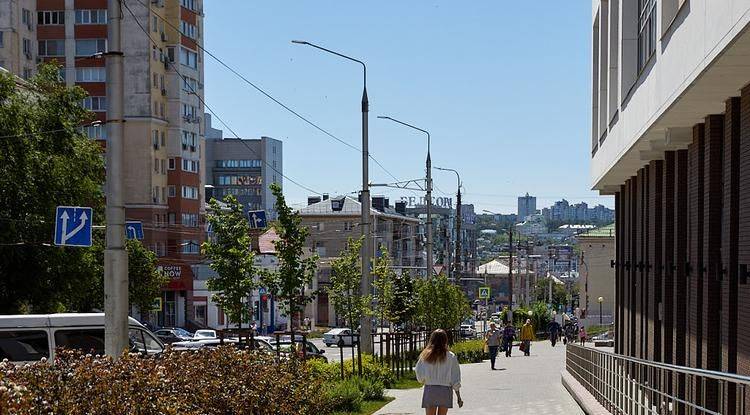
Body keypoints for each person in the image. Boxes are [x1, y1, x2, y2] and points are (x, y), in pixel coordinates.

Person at [415, 329, 463, 415]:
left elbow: (419, 373)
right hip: (445, 390)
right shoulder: (451, 356)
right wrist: (458, 396)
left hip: (430, 389)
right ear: (445, 340)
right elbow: (455, 377)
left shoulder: (425, 355)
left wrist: (423, 380)